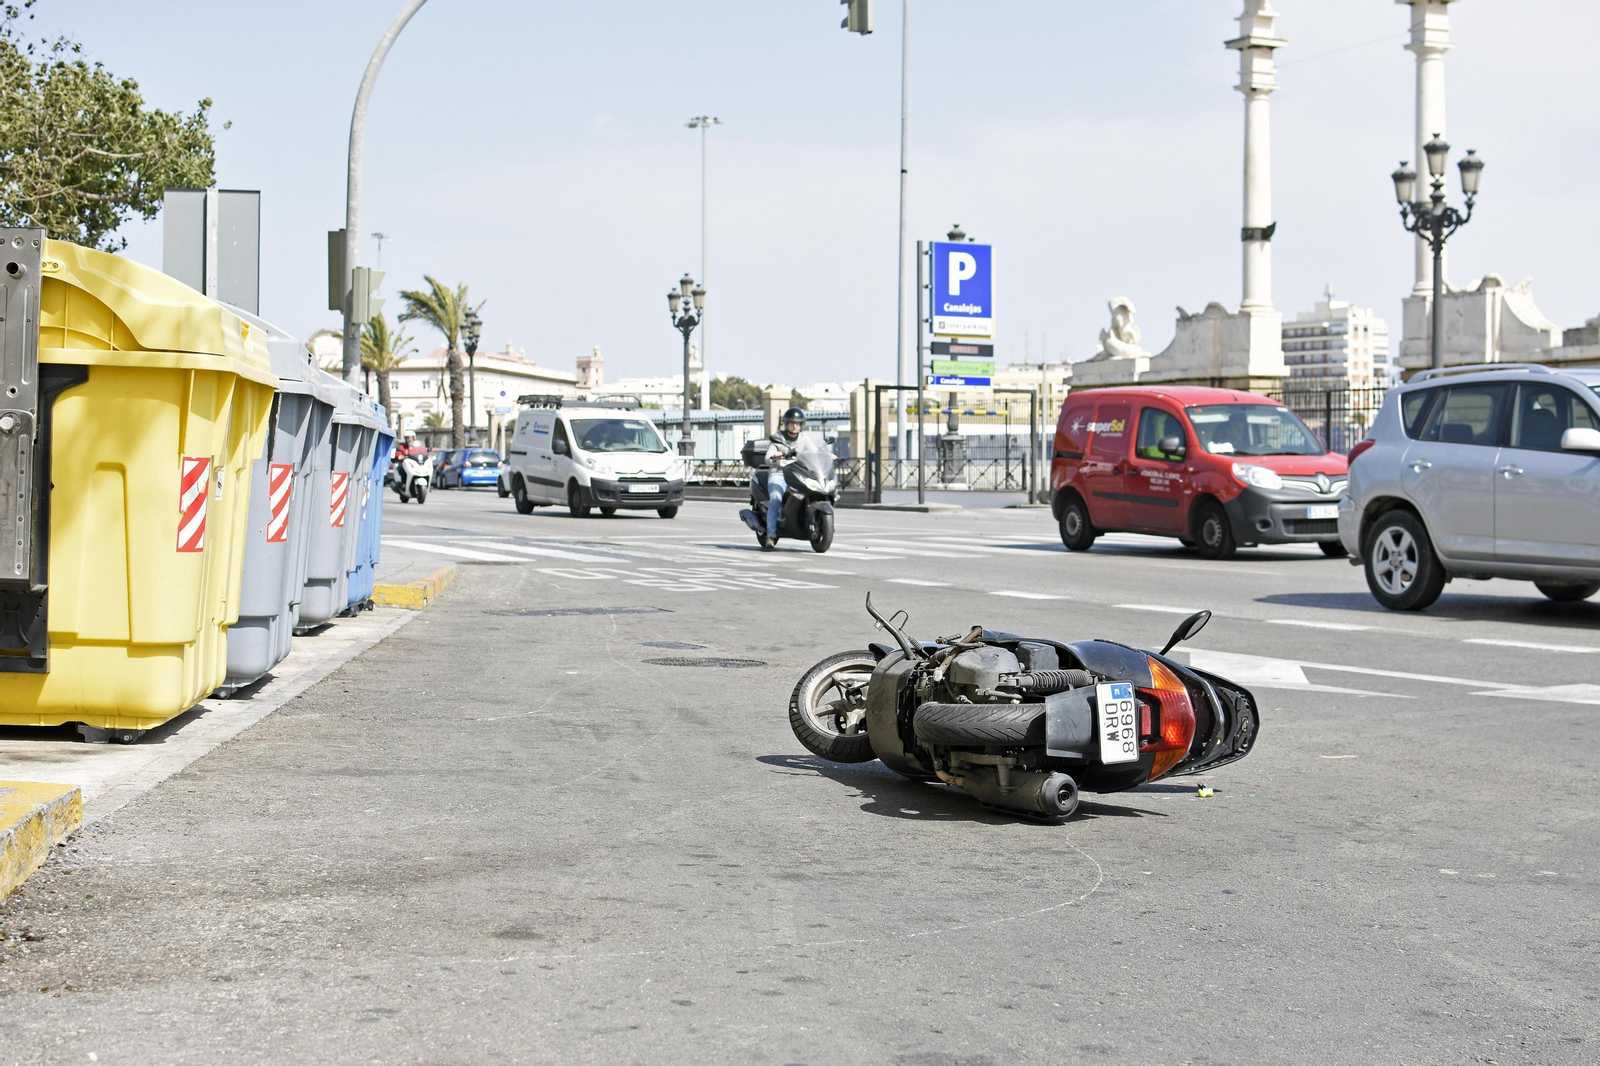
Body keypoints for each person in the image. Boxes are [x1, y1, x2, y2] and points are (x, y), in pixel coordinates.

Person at [758, 407, 806, 549]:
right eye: (792, 422)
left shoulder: (804, 439)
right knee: (776, 498)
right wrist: (775, 456)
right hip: (779, 473)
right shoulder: (778, 439)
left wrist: (826, 454)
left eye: (798, 423)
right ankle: (771, 534)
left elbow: (814, 449)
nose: (795, 425)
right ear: (786, 423)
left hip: (797, 474)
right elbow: (768, 458)